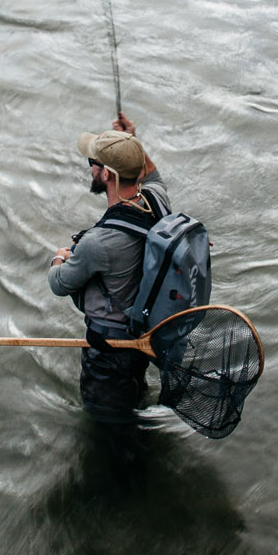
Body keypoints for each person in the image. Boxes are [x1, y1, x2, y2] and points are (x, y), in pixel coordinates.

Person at [48, 113, 169, 423]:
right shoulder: (157, 201)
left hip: (107, 357)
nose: (90, 167)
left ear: (107, 175)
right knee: (132, 406)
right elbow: (152, 176)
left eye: (94, 162)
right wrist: (132, 142)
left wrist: (59, 257)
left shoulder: (97, 243)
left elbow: (59, 284)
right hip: (142, 344)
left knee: (104, 426)